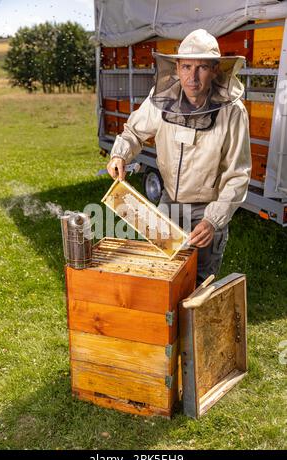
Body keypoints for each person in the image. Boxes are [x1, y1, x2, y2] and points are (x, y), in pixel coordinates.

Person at [107, 29, 251, 285]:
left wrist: (212, 220)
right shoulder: (162, 98)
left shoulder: (233, 112)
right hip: (168, 203)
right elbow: (134, 132)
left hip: (206, 210)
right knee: (160, 274)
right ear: (176, 67)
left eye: (202, 68)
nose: (192, 77)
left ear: (216, 69)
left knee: (198, 282)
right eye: (186, 67)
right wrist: (120, 154)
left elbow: (238, 175)